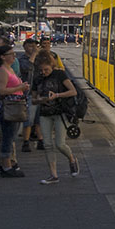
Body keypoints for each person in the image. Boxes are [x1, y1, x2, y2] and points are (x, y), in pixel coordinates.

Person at [30, 50, 79, 184]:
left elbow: (73, 91)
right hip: (45, 113)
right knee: (47, 144)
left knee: (60, 144)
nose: (44, 72)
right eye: (42, 70)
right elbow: (33, 99)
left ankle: (72, 159)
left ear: (52, 66)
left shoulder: (60, 75)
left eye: (46, 70)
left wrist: (57, 95)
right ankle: (53, 175)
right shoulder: (37, 78)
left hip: (60, 113)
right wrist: (40, 100)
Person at [0, 45, 29, 178]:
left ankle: (7, 164)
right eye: (11, 54)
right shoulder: (1, 70)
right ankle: (6, 167)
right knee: (8, 137)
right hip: (8, 107)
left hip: (15, 105)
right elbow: (2, 90)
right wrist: (20, 87)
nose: (14, 56)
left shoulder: (10, 68)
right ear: (2, 57)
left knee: (10, 136)